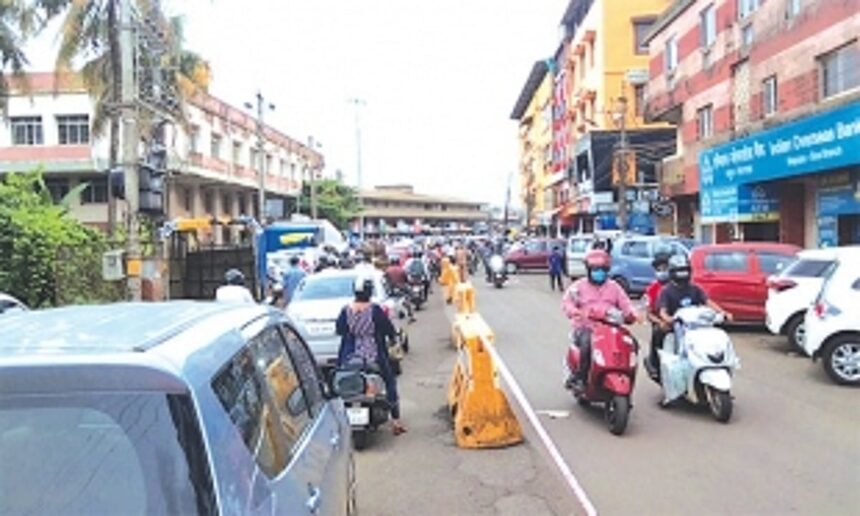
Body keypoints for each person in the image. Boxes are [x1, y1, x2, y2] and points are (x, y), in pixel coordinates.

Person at [336, 275, 407, 435]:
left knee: (342, 383)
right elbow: (388, 329)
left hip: (350, 354)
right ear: (369, 291)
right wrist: (393, 339)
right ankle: (396, 421)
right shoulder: (375, 309)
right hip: (374, 353)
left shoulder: (346, 310)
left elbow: (340, 329)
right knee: (389, 382)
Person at [562, 249, 638, 387]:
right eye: (595, 269)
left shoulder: (614, 287)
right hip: (586, 328)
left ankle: (627, 376)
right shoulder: (578, 287)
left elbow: (626, 304)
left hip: (611, 329)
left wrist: (632, 314)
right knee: (586, 345)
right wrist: (575, 312)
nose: (599, 272)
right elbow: (567, 303)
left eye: (602, 269)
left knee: (632, 344)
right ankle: (580, 378)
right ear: (588, 270)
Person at [657, 254, 733, 346]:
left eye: (684, 271)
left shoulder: (695, 289)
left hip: (696, 326)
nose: (682, 274)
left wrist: (723, 312)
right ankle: (656, 359)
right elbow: (663, 311)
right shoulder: (666, 291)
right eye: (679, 271)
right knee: (660, 333)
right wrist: (670, 319)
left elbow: (708, 302)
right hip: (676, 326)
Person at [644, 251, 673, 377]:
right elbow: (648, 313)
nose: (662, 271)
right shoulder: (652, 289)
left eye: (665, 268)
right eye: (659, 269)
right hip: (661, 323)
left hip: (681, 323)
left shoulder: (679, 285)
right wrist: (660, 321)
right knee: (658, 334)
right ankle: (654, 364)